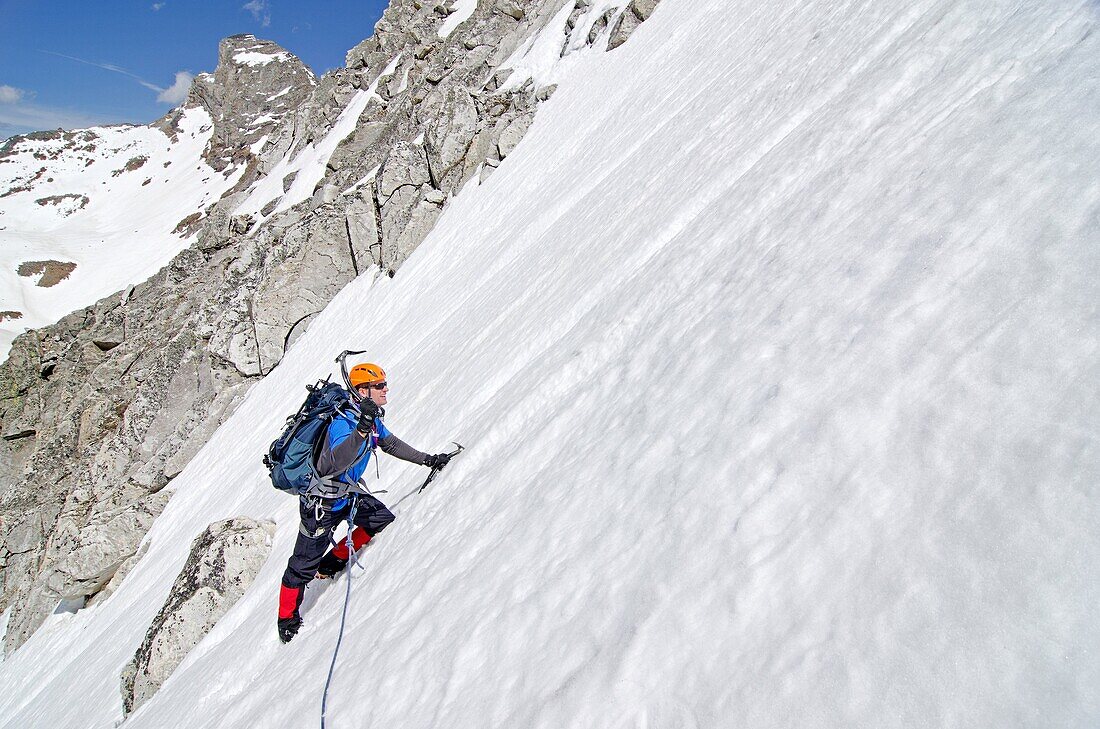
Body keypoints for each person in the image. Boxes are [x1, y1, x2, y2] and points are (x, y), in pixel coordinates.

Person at [277, 362, 452, 643]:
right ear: (363, 390)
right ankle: (286, 619)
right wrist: (360, 430)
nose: (385, 389)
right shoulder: (343, 422)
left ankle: (331, 564)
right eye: (379, 385)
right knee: (301, 567)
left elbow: (391, 444)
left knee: (379, 519)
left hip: (346, 495)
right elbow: (332, 464)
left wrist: (427, 460)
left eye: (384, 383)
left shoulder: (367, 418)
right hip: (321, 506)